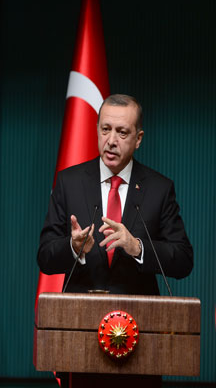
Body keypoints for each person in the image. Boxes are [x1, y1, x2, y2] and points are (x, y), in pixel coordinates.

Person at [37, 94, 193, 387]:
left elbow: (183, 259)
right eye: (105, 129)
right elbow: (45, 256)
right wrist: (73, 247)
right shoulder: (69, 182)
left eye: (122, 132)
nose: (111, 141)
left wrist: (138, 247)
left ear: (138, 139)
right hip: (79, 335)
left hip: (141, 339)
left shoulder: (159, 189)